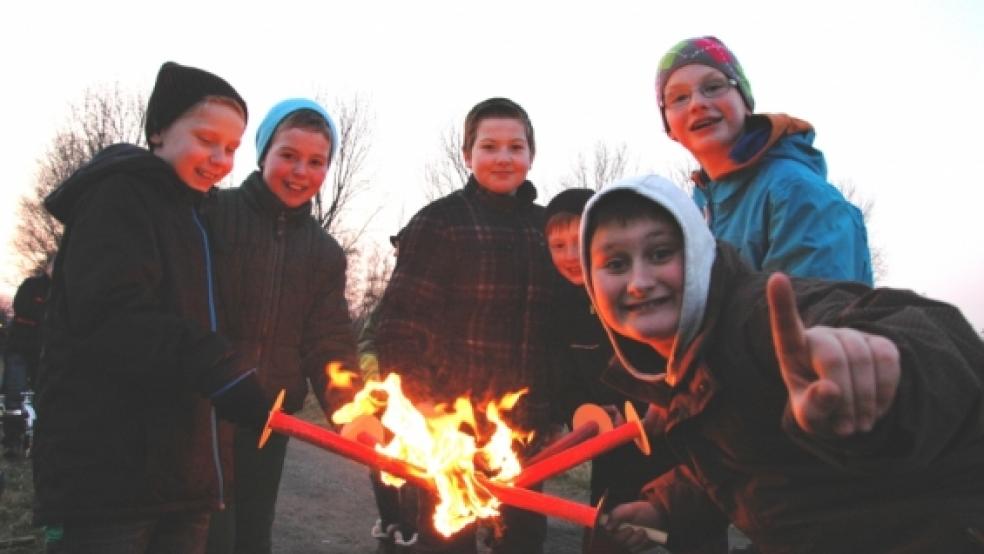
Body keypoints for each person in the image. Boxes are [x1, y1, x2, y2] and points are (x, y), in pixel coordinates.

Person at [578, 174, 984, 553]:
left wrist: (888, 373)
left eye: (661, 252)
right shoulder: (678, 361)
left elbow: (930, 331)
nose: (639, 281)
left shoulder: (759, 317)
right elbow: (748, 460)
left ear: (701, 253)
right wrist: (666, 508)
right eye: (615, 264)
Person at [34, 61, 269, 554]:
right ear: (159, 130)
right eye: (207, 139)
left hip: (179, 478)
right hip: (111, 477)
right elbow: (113, 317)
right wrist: (219, 368)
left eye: (231, 148)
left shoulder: (196, 217)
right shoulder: (119, 198)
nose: (220, 159)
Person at [373, 97, 556, 553]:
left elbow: (558, 332)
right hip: (449, 433)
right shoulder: (441, 222)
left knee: (523, 544)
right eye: (489, 146)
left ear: (531, 155)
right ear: (467, 154)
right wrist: (425, 408)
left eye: (516, 147)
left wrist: (558, 411)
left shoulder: (547, 228)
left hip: (525, 439)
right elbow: (397, 326)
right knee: (443, 543)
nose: (503, 158)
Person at [204, 97, 358, 554]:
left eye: (316, 162)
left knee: (252, 535)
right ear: (263, 153)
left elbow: (328, 340)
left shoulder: (325, 252)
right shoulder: (213, 214)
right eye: (288, 156)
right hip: (202, 414)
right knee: (206, 533)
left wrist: (353, 410)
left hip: (269, 422)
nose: (299, 172)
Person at [543, 188, 719, 554]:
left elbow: (683, 356)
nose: (569, 256)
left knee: (690, 535)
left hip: (676, 445)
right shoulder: (559, 308)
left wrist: (664, 401)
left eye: (577, 242)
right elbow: (563, 380)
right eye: (557, 246)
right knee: (610, 535)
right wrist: (581, 414)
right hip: (613, 455)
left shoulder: (642, 293)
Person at [656, 36, 873, 284]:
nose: (698, 103)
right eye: (679, 98)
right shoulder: (695, 212)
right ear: (669, 128)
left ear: (745, 102)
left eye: (713, 87)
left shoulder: (797, 193)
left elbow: (808, 313)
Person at [2, 267, 50, 458]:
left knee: (44, 395)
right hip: (19, 350)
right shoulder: (31, 285)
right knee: (14, 395)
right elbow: (21, 306)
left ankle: (41, 442)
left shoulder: (60, 290)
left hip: (43, 353)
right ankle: (12, 442)